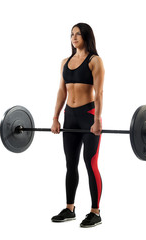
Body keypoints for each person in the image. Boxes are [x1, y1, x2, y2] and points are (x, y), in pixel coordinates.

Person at [50, 23, 105, 228]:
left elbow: (98, 93)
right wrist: (55, 118)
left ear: (86, 36)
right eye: (71, 34)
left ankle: (95, 212)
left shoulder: (95, 61)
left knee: (90, 164)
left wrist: (97, 119)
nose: (74, 37)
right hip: (69, 117)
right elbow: (61, 92)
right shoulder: (65, 61)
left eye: (78, 34)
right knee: (70, 164)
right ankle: (69, 209)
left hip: (89, 116)